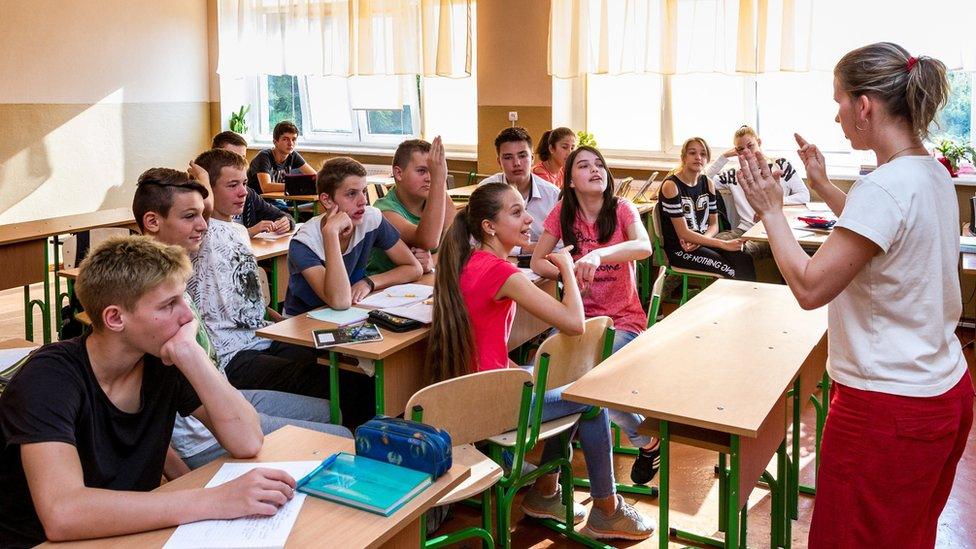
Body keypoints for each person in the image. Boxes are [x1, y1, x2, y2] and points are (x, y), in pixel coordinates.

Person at [734, 42, 972, 549]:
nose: (837, 114)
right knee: (906, 535)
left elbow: (810, 286)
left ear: (865, 105)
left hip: (886, 409)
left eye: (839, 100)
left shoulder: (884, 187)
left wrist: (771, 211)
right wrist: (821, 183)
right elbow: (883, 236)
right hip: (943, 391)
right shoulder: (929, 172)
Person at [0, 236, 294, 548]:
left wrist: (191, 354)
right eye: (169, 305)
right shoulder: (49, 378)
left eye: (183, 299)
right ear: (115, 318)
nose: (187, 316)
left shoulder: (161, 358)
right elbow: (63, 513)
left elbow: (247, 440)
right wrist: (213, 501)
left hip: (124, 535)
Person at [427, 182, 654, 541]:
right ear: (489, 226)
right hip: (494, 402)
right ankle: (605, 510)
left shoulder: (469, 261)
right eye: (516, 212)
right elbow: (575, 324)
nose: (528, 217)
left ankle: (547, 492)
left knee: (569, 389)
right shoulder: (504, 274)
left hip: (479, 389)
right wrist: (565, 266)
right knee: (590, 397)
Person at [132, 168, 350, 474]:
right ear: (153, 222)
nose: (203, 226)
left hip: (227, 395)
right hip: (204, 438)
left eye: (202, 215)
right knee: (341, 438)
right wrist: (186, 482)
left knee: (335, 410)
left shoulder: (176, 276)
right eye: (190, 217)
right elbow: (145, 416)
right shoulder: (147, 300)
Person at [531, 145, 660, 485]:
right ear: (570, 180)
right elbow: (537, 261)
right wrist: (567, 271)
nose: (595, 170)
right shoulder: (562, 212)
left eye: (599, 164)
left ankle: (640, 439)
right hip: (578, 323)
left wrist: (599, 256)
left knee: (589, 382)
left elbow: (644, 247)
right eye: (584, 166)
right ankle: (551, 483)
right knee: (564, 380)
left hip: (623, 322)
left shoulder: (622, 209)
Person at [188, 149, 328, 399]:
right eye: (232, 185)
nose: (243, 192)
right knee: (317, 379)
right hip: (229, 355)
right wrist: (200, 183)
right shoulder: (199, 231)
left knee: (322, 356)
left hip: (260, 337)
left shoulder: (240, 231)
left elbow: (252, 302)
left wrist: (284, 324)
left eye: (243, 183)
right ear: (206, 191)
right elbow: (201, 209)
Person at [285, 157, 422, 316]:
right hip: (303, 322)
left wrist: (369, 282)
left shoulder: (371, 219)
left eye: (363, 191)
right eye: (351, 194)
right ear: (327, 200)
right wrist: (331, 235)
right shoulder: (304, 243)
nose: (363, 201)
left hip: (350, 314)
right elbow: (340, 301)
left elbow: (414, 268)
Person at [656, 137, 755, 280]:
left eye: (703, 154)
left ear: (707, 158)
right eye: (692, 153)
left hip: (702, 243)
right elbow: (683, 233)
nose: (698, 157)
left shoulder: (707, 183)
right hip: (682, 250)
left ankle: (750, 300)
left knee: (743, 258)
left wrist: (702, 239)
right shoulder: (671, 186)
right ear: (683, 157)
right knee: (729, 271)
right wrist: (724, 244)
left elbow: (714, 224)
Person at [705, 125, 810, 258]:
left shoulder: (781, 165)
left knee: (743, 251)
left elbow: (804, 196)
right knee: (709, 245)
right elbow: (704, 180)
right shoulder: (735, 174)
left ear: (759, 143)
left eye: (750, 146)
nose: (747, 152)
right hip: (743, 230)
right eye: (741, 149)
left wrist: (774, 203)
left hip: (770, 230)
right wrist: (724, 156)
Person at [367, 136, 456, 275]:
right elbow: (427, 241)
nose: (429, 178)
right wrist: (439, 180)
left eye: (433, 171)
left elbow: (457, 247)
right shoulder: (384, 211)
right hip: (384, 289)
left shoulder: (441, 198)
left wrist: (431, 261)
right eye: (421, 171)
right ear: (399, 173)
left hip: (421, 284)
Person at [480, 127, 561, 253]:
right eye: (508, 157)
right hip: (499, 260)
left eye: (522, 155)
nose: (516, 163)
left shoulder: (553, 195)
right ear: (499, 162)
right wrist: (524, 249)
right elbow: (477, 240)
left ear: (532, 158)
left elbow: (562, 245)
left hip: (543, 263)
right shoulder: (486, 191)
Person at [213, 131, 293, 237]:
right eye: (232, 158)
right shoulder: (205, 197)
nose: (239, 164)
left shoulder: (248, 193)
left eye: (242, 158)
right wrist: (251, 231)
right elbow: (211, 239)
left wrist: (286, 222)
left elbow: (281, 214)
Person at [245, 120, 317, 194]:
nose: (290, 143)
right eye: (285, 139)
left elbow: (316, 178)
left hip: (277, 199)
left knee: (314, 202)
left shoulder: (293, 155)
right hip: (257, 200)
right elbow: (266, 187)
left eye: (294, 139)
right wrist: (297, 186)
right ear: (275, 142)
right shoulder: (264, 156)